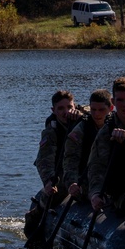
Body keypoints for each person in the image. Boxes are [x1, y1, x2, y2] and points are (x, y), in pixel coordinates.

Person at [25, 90, 84, 237]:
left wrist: (82, 113)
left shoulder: (83, 119)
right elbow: (44, 159)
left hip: (82, 168)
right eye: (61, 109)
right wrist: (48, 181)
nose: (66, 112)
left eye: (69, 107)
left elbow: (93, 110)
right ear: (53, 110)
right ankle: (36, 214)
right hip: (60, 172)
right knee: (57, 192)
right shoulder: (51, 131)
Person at [87, 77, 125, 215]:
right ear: (113, 103)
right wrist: (96, 194)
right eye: (120, 100)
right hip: (122, 191)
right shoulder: (106, 132)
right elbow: (96, 166)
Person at [63, 89, 113, 201]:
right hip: (88, 177)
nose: (97, 114)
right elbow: (70, 159)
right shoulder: (81, 129)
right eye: (93, 110)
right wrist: (72, 182)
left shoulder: (116, 125)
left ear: (111, 108)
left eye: (101, 110)